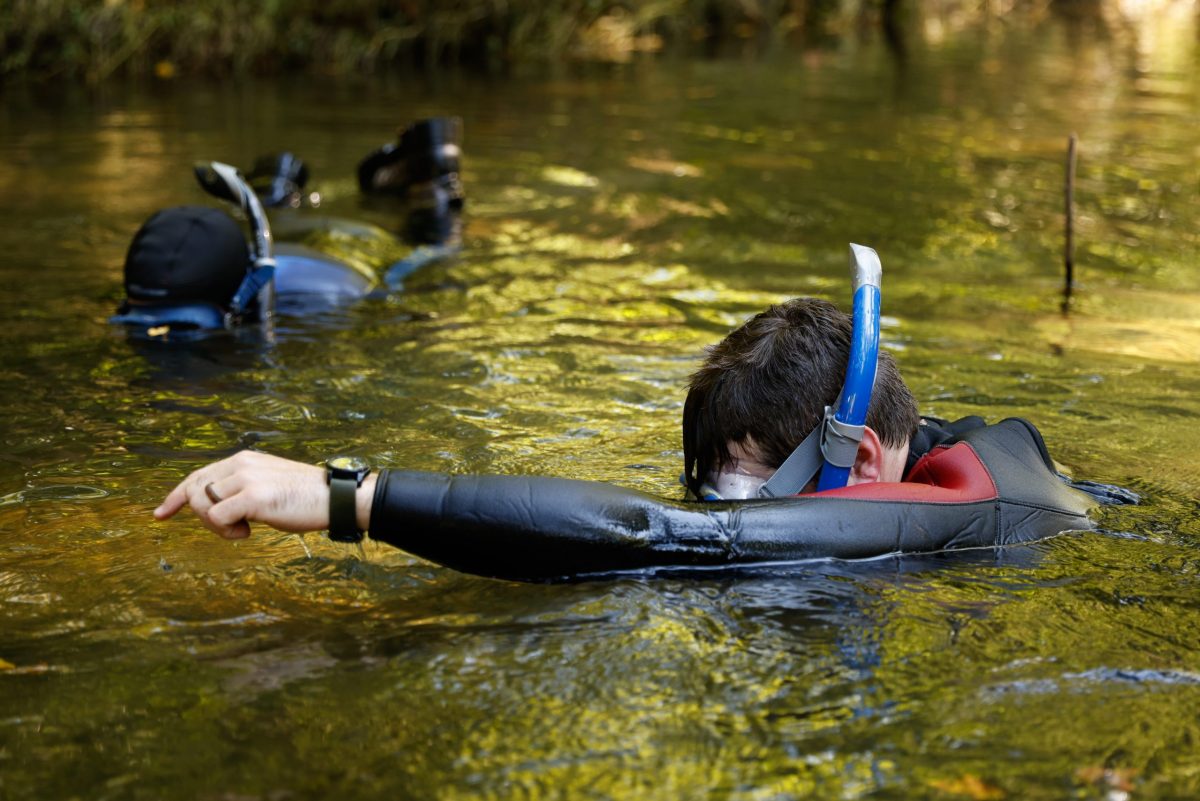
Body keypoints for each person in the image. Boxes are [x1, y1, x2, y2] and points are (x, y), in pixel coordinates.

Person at [154, 297, 1120, 581]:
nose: (730, 519)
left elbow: (656, 536)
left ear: (860, 458)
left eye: (747, 497)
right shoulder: (954, 451)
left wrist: (342, 495)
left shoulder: (969, 504)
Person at [110, 118, 464, 339]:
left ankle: (432, 179)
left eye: (182, 328)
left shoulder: (331, 298)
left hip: (346, 248)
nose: (155, 338)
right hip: (270, 236)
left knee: (435, 248)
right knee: (271, 207)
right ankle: (275, 179)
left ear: (239, 302)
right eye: (136, 321)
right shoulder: (169, 274)